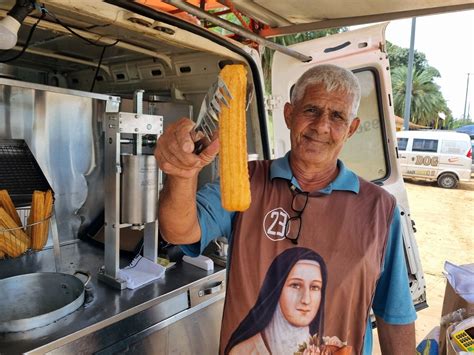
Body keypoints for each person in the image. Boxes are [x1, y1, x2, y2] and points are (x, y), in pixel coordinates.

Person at [155, 63, 417, 354]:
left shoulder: (379, 208)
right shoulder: (247, 180)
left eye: (337, 116)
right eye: (311, 110)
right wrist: (181, 173)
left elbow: (394, 314)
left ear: (351, 129)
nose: (321, 126)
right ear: (289, 114)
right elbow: (179, 231)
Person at [226, 247, 327, 354]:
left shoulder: (326, 351)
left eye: (315, 287)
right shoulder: (243, 351)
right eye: (295, 285)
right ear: (277, 289)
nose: (306, 300)